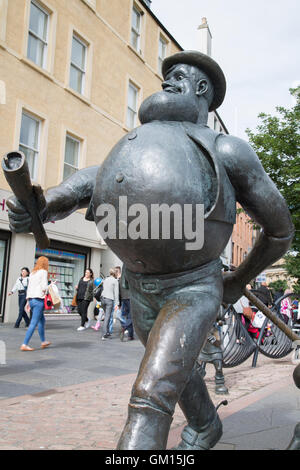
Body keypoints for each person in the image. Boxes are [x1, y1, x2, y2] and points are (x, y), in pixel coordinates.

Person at [7, 50, 294, 450]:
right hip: (137, 286)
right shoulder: (135, 141)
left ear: (201, 89)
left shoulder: (226, 150)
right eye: (166, 76)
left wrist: (238, 279)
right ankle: (206, 425)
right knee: (175, 365)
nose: (166, 82)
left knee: (151, 391)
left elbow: (280, 232)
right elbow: (92, 179)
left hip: (192, 287)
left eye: (178, 76)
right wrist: (45, 203)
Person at [20, 256, 51, 351]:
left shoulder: (33, 273)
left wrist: (28, 301)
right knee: (33, 323)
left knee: (42, 320)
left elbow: (29, 288)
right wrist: (50, 286)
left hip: (32, 300)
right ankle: (24, 344)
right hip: (39, 300)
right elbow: (44, 288)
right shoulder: (43, 272)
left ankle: (43, 342)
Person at [100, 268, 119, 340]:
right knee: (107, 317)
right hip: (109, 300)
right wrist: (117, 303)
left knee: (106, 316)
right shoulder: (115, 281)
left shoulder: (105, 279)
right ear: (115, 273)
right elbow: (116, 293)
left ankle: (107, 332)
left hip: (102, 298)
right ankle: (104, 334)